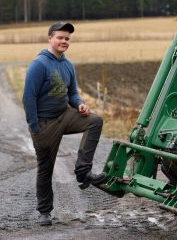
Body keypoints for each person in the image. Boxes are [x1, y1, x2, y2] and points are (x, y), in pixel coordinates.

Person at [22, 22, 106, 226]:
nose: (64, 41)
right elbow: (28, 98)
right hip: (45, 123)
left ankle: (83, 171)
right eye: (60, 37)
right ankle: (44, 212)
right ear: (50, 38)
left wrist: (80, 105)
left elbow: (72, 94)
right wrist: (34, 126)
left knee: (94, 121)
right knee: (46, 167)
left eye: (67, 38)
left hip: (65, 114)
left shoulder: (68, 65)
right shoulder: (39, 64)